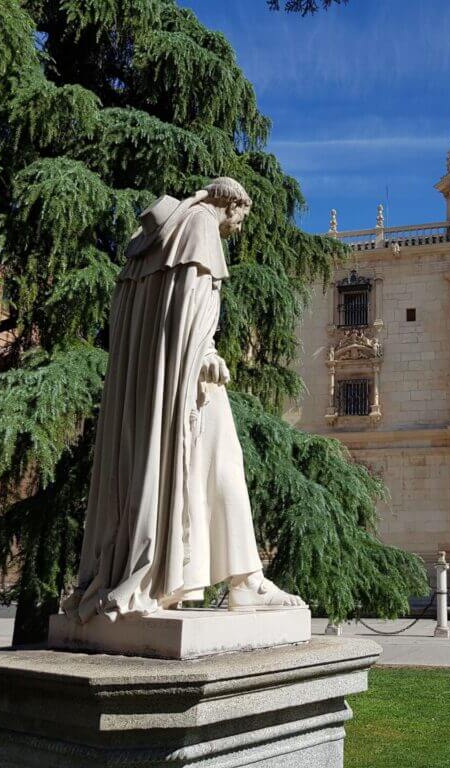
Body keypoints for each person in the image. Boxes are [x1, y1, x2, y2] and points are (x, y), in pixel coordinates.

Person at [63, 177, 303, 623]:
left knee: (199, 469)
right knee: (225, 463)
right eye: (243, 216)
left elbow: (147, 315)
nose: (240, 227)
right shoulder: (200, 226)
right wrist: (207, 351)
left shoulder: (155, 236)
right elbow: (193, 301)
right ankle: (246, 582)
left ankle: (240, 579)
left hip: (156, 380)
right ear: (229, 204)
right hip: (190, 376)